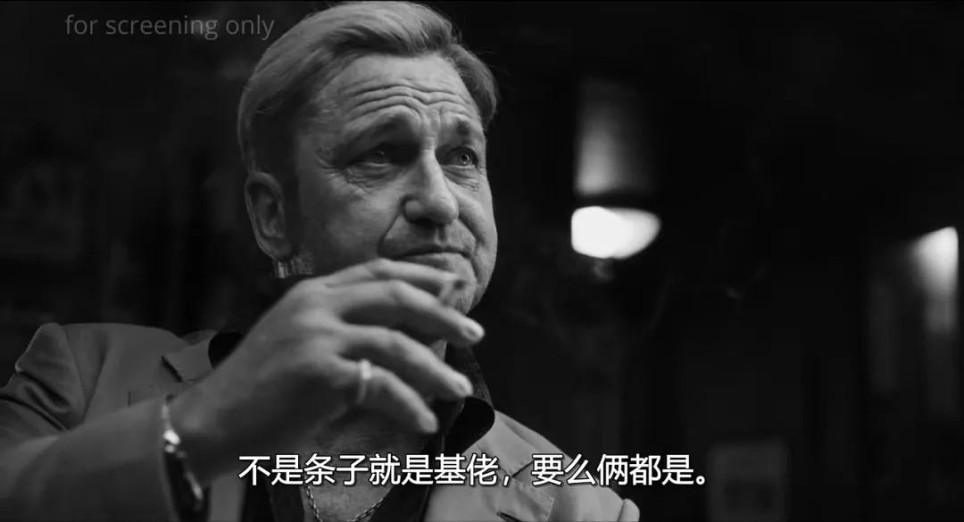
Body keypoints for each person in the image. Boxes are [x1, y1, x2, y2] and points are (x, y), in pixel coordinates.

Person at [0, 2, 640, 521]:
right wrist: (204, 427)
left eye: (462, 157)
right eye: (380, 155)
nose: (440, 201)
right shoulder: (83, 379)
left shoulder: (579, 509)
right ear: (274, 218)